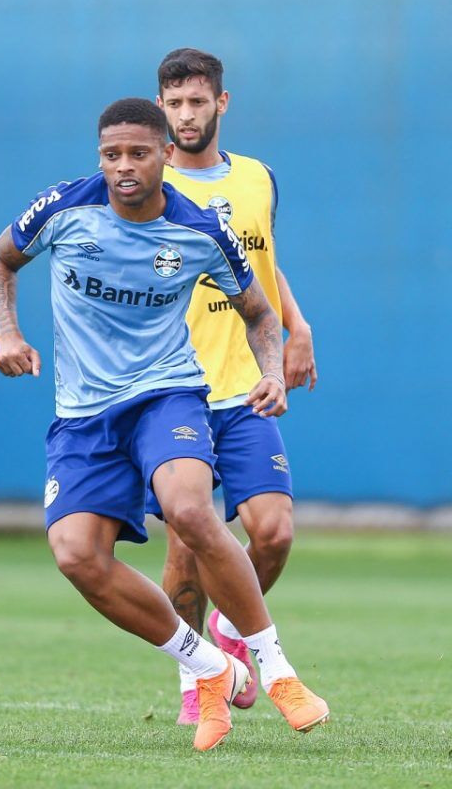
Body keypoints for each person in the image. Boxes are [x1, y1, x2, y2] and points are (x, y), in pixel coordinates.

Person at [0, 97, 327, 751]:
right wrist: (7, 333)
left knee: (191, 513)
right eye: (112, 155)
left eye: (139, 153)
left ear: (166, 154)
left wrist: (272, 371)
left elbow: (257, 310)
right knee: (77, 556)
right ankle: (206, 665)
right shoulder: (62, 209)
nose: (124, 167)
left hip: (168, 395)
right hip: (83, 416)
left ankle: (277, 670)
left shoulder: (200, 231)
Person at [150, 48, 318, 725]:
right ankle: (199, 678)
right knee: (184, 553)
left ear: (222, 104)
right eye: (175, 103)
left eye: (198, 102)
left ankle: (228, 629)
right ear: (161, 106)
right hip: (173, 387)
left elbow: (260, 264)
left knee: (273, 532)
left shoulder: (257, 179)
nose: (186, 115)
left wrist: (297, 326)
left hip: (248, 383)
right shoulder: (144, 184)